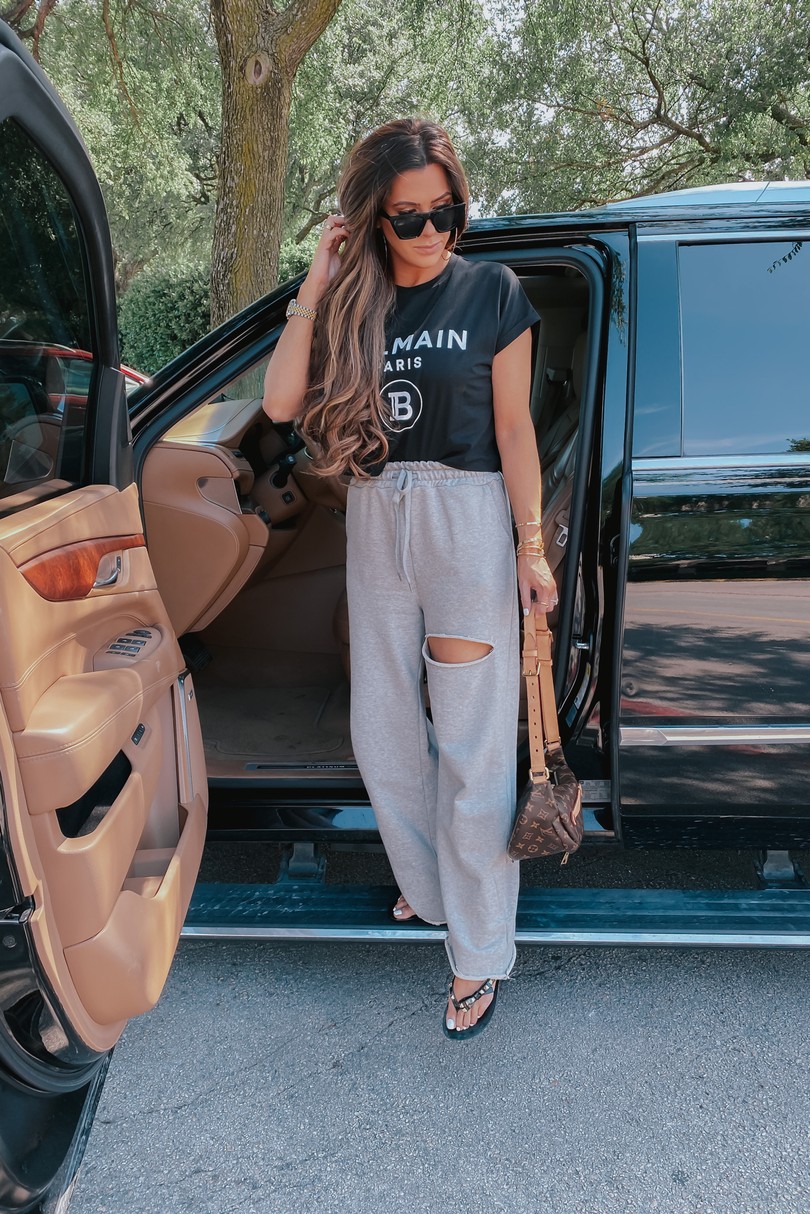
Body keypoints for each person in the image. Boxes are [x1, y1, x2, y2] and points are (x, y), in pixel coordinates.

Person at [263, 118, 557, 1040]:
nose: (432, 234)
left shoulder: (494, 293)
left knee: (469, 745)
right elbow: (278, 405)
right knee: (382, 726)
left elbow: (516, 433)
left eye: (446, 213)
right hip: (377, 511)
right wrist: (316, 282)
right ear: (376, 221)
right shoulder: (356, 304)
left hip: (466, 519)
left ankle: (480, 953)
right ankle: (431, 891)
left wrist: (532, 546)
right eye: (409, 219)